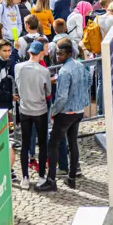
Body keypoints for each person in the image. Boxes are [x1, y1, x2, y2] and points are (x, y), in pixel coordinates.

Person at [35, 40, 90, 192]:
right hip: (78, 110)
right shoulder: (80, 65)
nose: (57, 56)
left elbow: (62, 97)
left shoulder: (65, 71)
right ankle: (71, 178)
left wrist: (54, 111)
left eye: (61, 54)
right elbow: (88, 81)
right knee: (73, 143)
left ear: (69, 54)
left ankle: (51, 180)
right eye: (57, 53)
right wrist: (82, 101)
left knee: (53, 144)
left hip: (66, 113)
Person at [14, 41, 50, 187]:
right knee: (42, 144)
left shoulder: (18, 68)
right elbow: (48, 91)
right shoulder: (44, 71)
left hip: (24, 109)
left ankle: (25, 177)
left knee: (25, 144)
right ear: (40, 53)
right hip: (40, 110)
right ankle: (41, 176)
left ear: (29, 52)